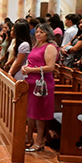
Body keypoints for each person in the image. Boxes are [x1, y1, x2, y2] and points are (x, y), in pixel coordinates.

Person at [22, 23, 58, 152]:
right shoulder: (36, 45)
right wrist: (25, 67)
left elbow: (50, 67)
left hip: (42, 84)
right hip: (31, 82)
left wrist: (31, 70)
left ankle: (39, 142)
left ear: (47, 34)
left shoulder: (50, 47)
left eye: (41, 32)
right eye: (37, 32)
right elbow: (30, 60)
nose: (38, 34)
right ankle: (29, 138)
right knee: (31, 112)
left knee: (40, 113)